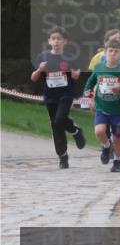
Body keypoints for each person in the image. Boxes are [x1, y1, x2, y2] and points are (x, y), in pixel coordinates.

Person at [31, 26, 86, 168]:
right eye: (53, 39)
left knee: (59, 120)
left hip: (66, 94)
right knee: (56, 126)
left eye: (59, 39)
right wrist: (39, 69)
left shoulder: (69, 58)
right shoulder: (42, 57)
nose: (56, 42)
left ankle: (75, 131)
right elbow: (33, 78)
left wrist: (75, 74)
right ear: (49, 41)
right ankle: (63, 156)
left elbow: (76, 73)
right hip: (50, 96)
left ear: (65, 41)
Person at [84, 38, 120, 173]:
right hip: (101, 108)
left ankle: (118, 160)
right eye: (110, 51)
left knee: (118, 137)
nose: (113, 54)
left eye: (116, 51)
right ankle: (106, 146)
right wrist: (87, 91)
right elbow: (90, 82)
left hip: (118, 111)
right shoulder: (99, 68)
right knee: (99, 131)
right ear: (105, 52)